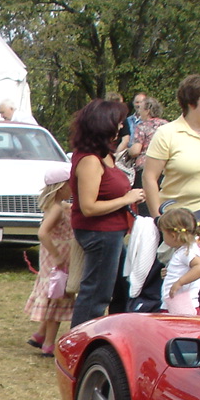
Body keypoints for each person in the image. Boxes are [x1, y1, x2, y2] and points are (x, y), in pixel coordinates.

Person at [69, 99, 145, 327]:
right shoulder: (90, 160)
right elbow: (88, 207)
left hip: (112, 233)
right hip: (99, 233)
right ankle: (78, 346)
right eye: (118, 123)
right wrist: (126, 199)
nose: (121, 127)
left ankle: (112, 337)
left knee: (122, 288)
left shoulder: (105, 155)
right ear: (103, 125)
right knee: (96, 294)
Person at [142, 75, 200, 231]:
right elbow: (149, 177)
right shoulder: (167, 133)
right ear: (191, 103)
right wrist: (159, 219)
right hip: (183, 221)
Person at [25, 163, 75, 358]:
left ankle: (40, 334)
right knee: (57, 297)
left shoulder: (56, 206)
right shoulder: (56, 209)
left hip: (55, 258)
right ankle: (48, 344)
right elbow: (43, 233)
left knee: (53, 294)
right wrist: (56, 254)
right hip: (58, 258)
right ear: (61, 186)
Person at [158, 206, 200, 315]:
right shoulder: (182, 250)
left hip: (182, 305)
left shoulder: (187, 251)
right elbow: (183, 269)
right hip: (174, 304)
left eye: (163, 233)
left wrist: (180, 282)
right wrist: (169, 273)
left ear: (173, 235)